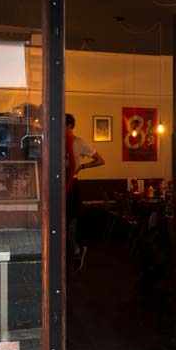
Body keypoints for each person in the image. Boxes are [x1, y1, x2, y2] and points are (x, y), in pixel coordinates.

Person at [64, 113, 105, 270]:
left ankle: (76, 251)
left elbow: (100, 160)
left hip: (72, 185)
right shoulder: (58, 142)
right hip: (59, 185)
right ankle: (68, 254)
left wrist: (83, 166)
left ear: (69, 126)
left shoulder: (79, 143)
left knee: (71, 224)